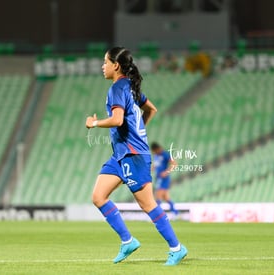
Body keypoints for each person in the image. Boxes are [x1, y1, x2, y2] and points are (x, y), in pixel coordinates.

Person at [85, 47, 187, 266]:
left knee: (148, 205)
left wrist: (94, 123)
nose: (102, 66)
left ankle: (176, 248)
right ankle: (127, 241)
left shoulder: (117, 88)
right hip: (121, 155)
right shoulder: (130, 88)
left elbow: (117, 120)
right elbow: (151, 110)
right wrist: (139, 130)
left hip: (133, 155)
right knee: (98, 196)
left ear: (116, 65)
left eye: (105, 62)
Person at [151, 142, 179, 215]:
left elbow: (174, 164)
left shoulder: (165, 154)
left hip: (163, 179)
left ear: (157, 149)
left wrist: (166, 172)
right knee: (166, 197)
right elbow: (155, 166)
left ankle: (157, 215)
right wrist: (151, 169)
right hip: (158, 178)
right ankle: (175, 213)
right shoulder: (156, 156)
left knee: (158, 196)